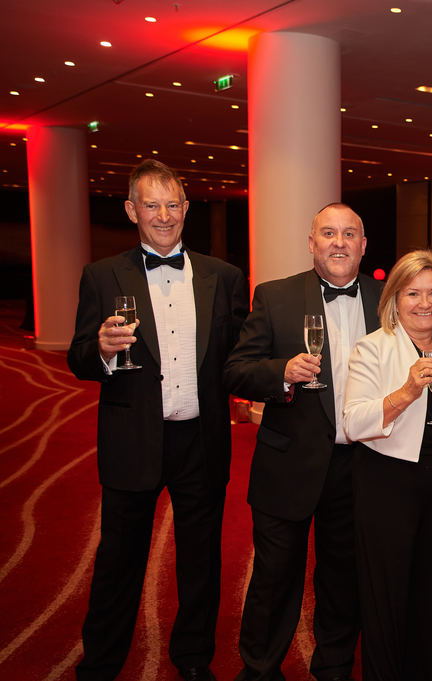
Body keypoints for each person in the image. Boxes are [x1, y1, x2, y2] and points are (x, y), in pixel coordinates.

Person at [67, 159, 248, 681]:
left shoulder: (224, 277)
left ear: (186, 208)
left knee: (201, 561)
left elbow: (239, 357)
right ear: (132, 210)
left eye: (172, 204)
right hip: (133, 439)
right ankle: (102, 662)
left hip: (201, 440)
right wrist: (102, 350)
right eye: (152, 204)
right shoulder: (101, 276)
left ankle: (192, 658)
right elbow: (78, 357)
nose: (164, 215)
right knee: (119, 560)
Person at [223, 203, 381, 681]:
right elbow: (236, 370)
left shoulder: (388, 299)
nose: (339, 242)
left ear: (363, 245)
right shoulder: (275, 296)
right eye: (328, 233)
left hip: (362, 464)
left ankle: (333, 667)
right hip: (288, 464)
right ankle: (259, 669)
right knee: (274, 578)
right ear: (311, 243)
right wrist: (282, 372)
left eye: (349, 234)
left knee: (344, 579)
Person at [343, 250, 432, 681]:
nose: (425, 302)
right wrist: (404, 393)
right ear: (395, 299)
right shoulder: (372, 346)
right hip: (388, 486)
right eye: (413, 293)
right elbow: (352, 424)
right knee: (387, 602)